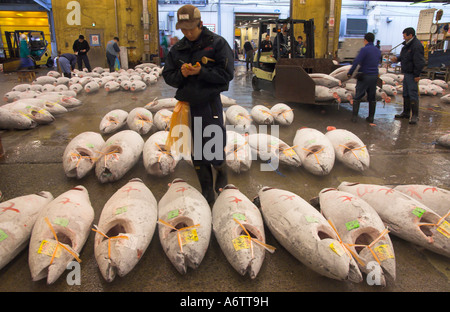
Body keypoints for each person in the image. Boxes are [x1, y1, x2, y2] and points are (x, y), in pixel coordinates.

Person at [162, 4, 234, 205]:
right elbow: (168, 76)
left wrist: (201, 72)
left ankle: (221, 172)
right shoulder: (178, 49)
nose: (187, 33)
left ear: (200, 24)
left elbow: (227, 75)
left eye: (191, 29)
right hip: (186, 107)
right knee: (196, 152)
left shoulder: (217, 44)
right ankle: (207, 192)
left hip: (209, 105)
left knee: (213, 148)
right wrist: (182, 73)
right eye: (183, 29)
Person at [391, 27, 425, 124]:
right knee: (406, 94)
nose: (403, 37)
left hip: (412, 74)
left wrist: (417, 74)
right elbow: (404, 56)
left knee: (413, 94)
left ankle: (415, 116)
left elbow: (419, 61)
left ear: (410, 35)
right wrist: (397, 59)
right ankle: (406, 113)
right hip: (406, 73)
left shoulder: (416, 45)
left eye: (404, 35)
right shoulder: (407, 45)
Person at [347, 32, 381, 123]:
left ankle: (354, 117)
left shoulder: (364, 50)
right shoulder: (377, 50)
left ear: (365, 40)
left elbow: (357, 61)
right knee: (372, 97)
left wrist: (350, 73)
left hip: (364, 76)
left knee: (358, 96)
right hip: (374, 77)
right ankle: (371, 117)